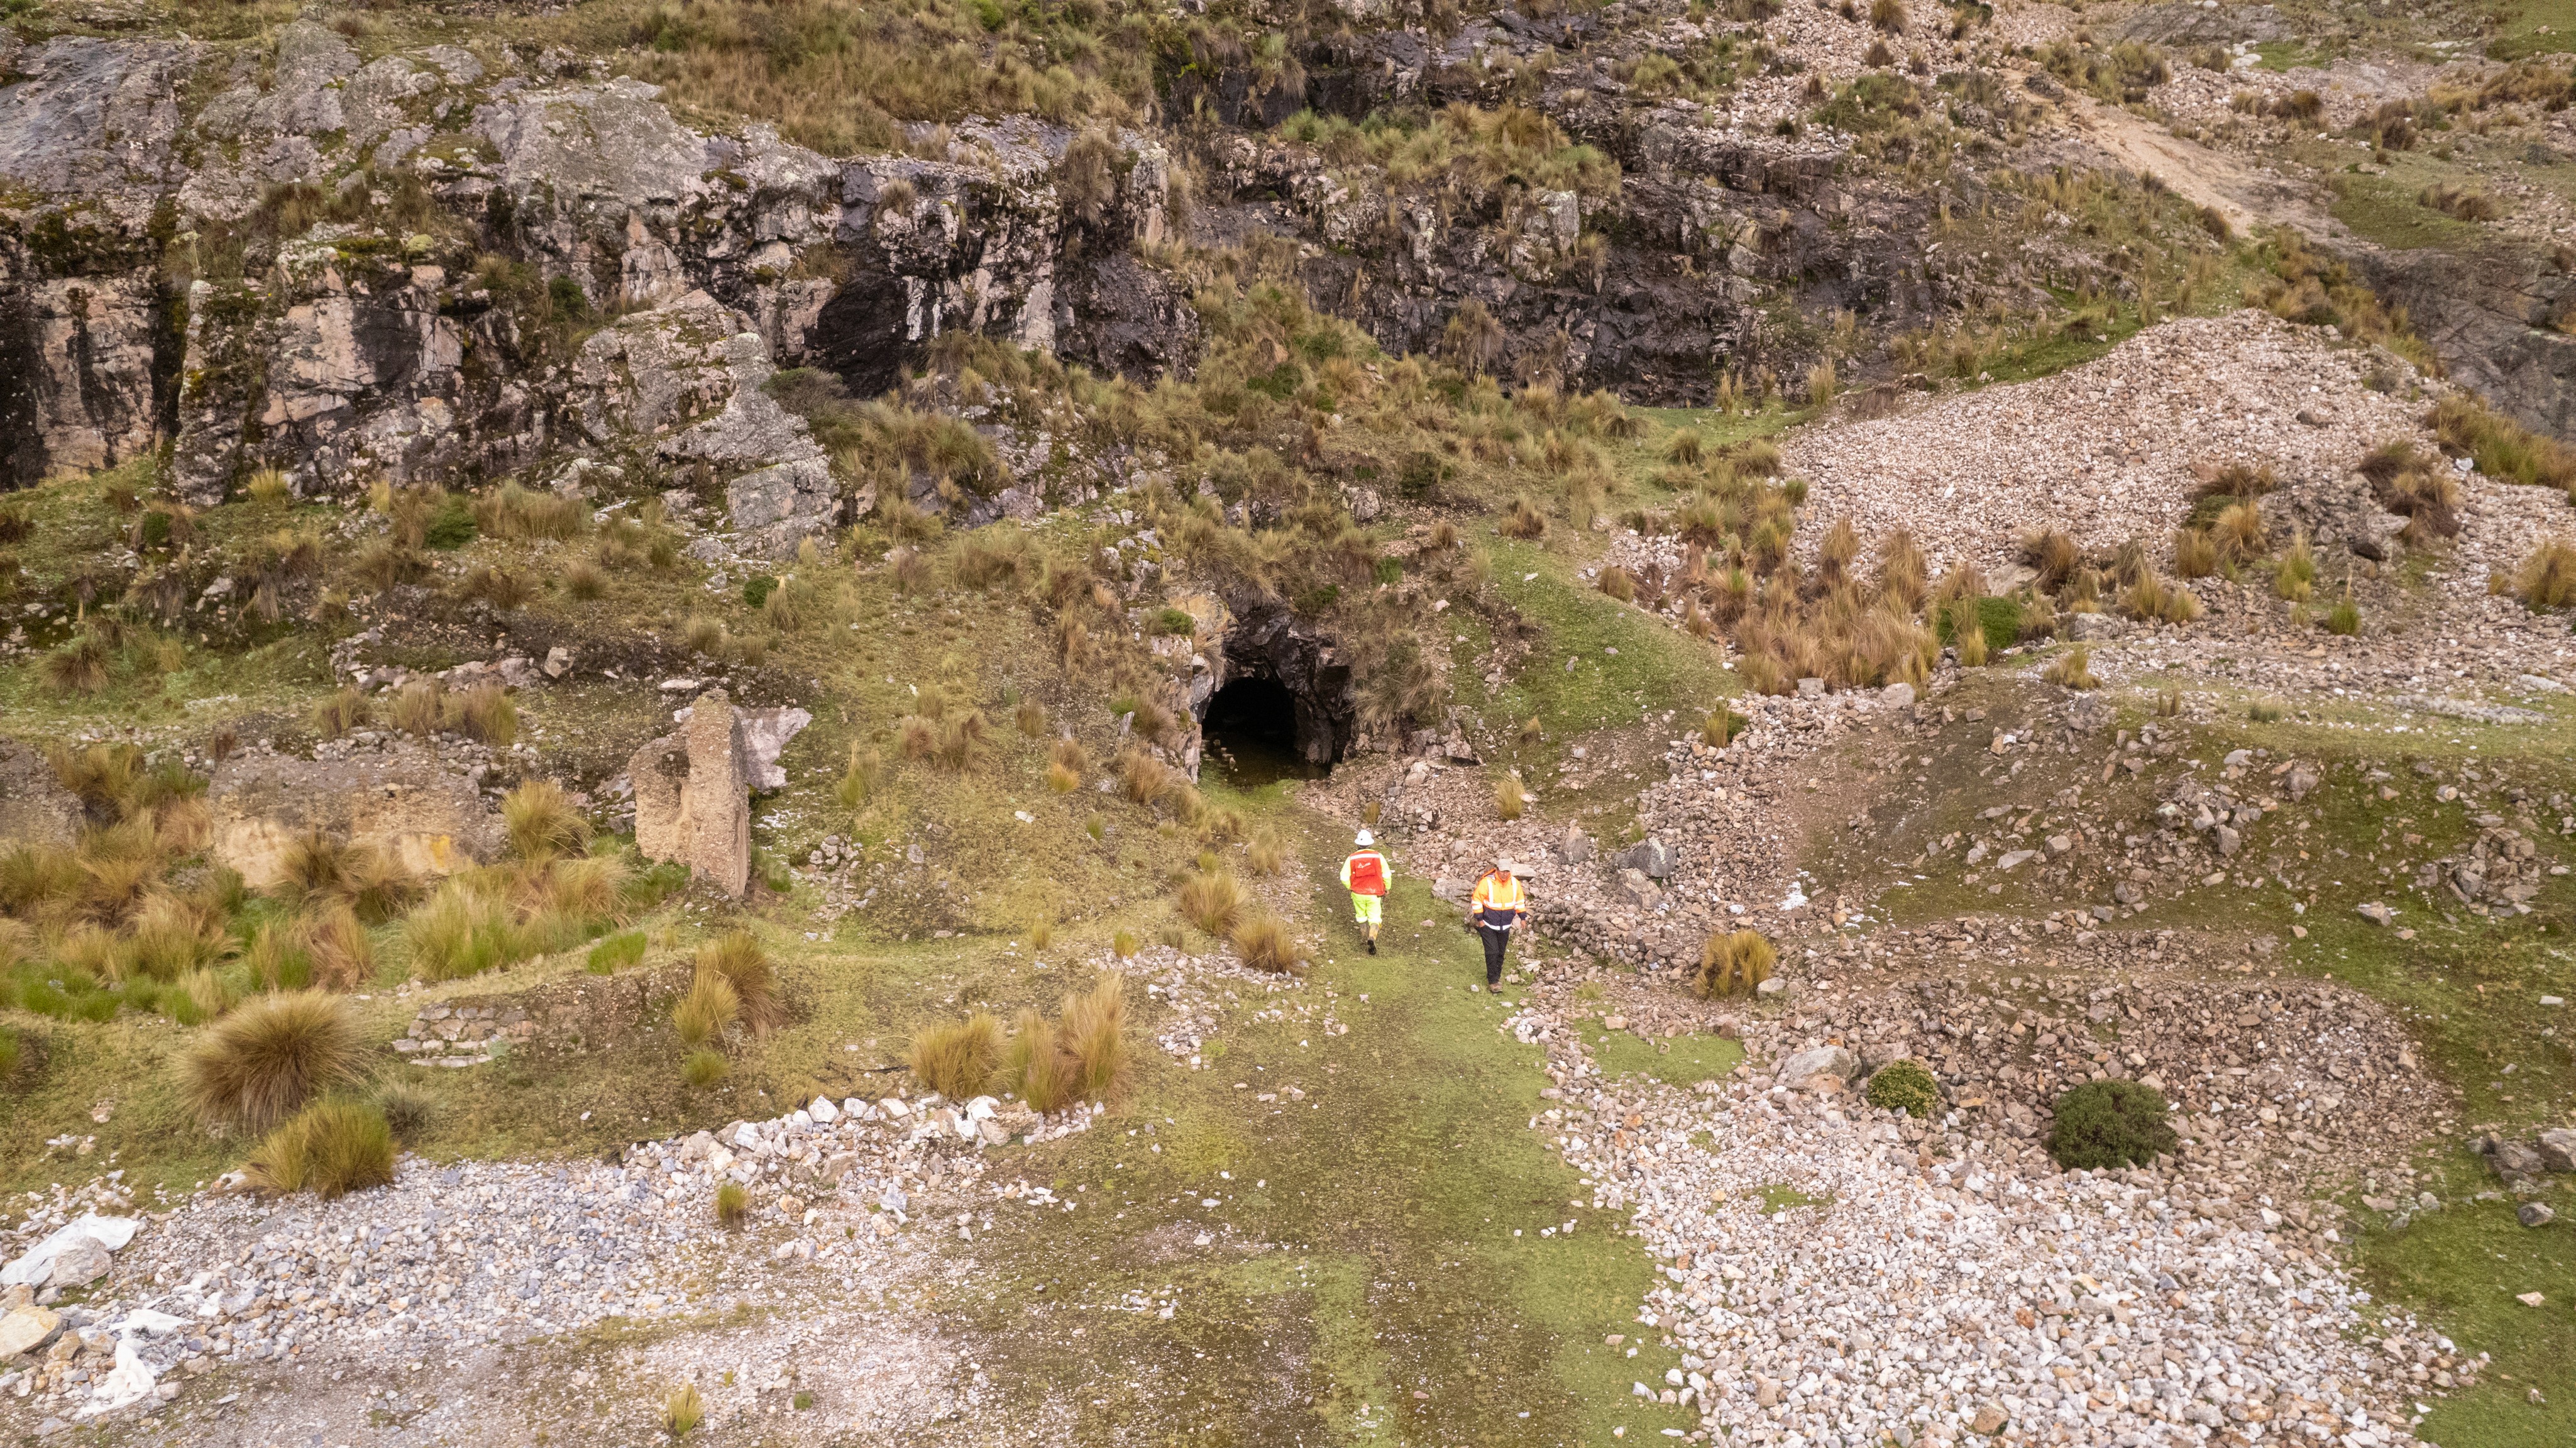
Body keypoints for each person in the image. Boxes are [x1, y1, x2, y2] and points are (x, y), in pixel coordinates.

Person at [1465, 854, 1527, 990]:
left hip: (1505, 925)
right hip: (1488, 925)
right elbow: (1477, 900)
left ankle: (1496, 977)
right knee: (1492, 952)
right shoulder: (1487, 882)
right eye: (1502, 871)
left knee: (1500, 953)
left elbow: (1519, 901)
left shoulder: (1515, 883)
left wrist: (1523, 917)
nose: (1505, 874)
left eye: (1507, 871)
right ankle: (1493, 981)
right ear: (1497, 870)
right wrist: (1480, 920)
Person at [1340, 829, 1390, 953]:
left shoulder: (1351, 858)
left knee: (1361, 916)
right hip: (1375, 893)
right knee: (1375, 918)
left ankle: (1364, 938)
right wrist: (1387, 888)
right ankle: (1372, 937)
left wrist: (1350, 887)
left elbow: (1344, 877)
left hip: (1358, 893)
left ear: (1358, 844)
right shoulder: (1378, 856)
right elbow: (1387, 875)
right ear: (1370, 843)